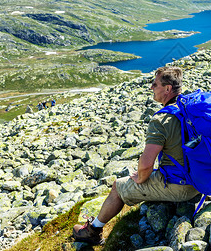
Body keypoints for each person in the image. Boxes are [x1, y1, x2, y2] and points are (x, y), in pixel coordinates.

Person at [73, 66, 200, 245]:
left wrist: (140, 178)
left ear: (167, 89)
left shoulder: (161, 120)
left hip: (183, 186)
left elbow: (146, 165)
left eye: (154, 84)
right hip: (205, 179)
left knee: (118, 186)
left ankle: (93, 231)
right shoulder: (196, 107)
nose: (151, 88)